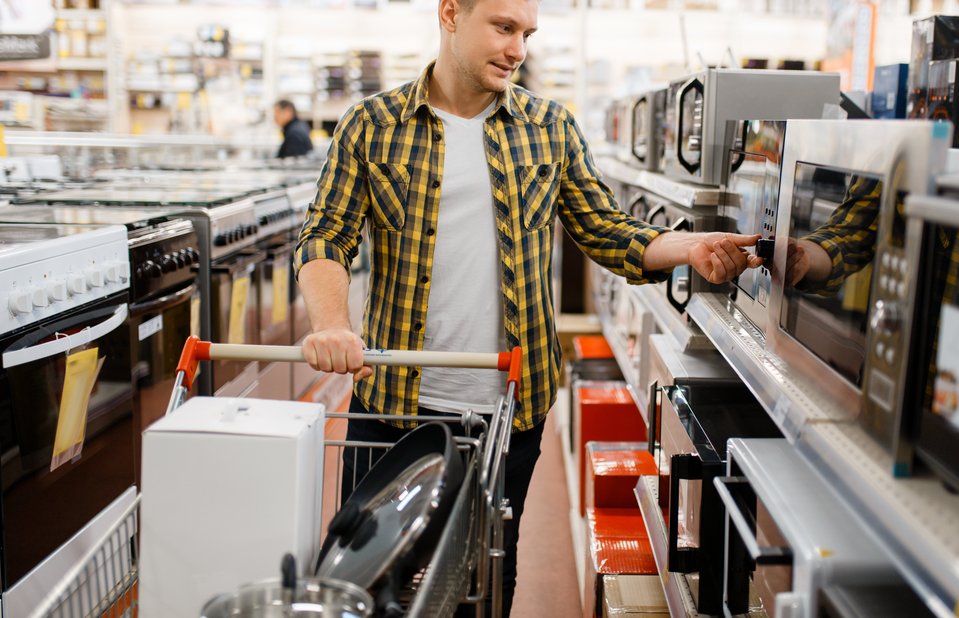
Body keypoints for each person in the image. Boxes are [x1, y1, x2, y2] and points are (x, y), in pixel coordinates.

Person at [293, 0, 763, 613]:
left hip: (509, 413)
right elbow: (326, 235)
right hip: (390, 408)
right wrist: (332, 324)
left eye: (528, 34)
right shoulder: (371, 124)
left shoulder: (549, 128)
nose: (518, 49)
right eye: (504, 27)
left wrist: (692, 245)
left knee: (486, 585)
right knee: (372, 585)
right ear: (451, 14)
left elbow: (609, 231)